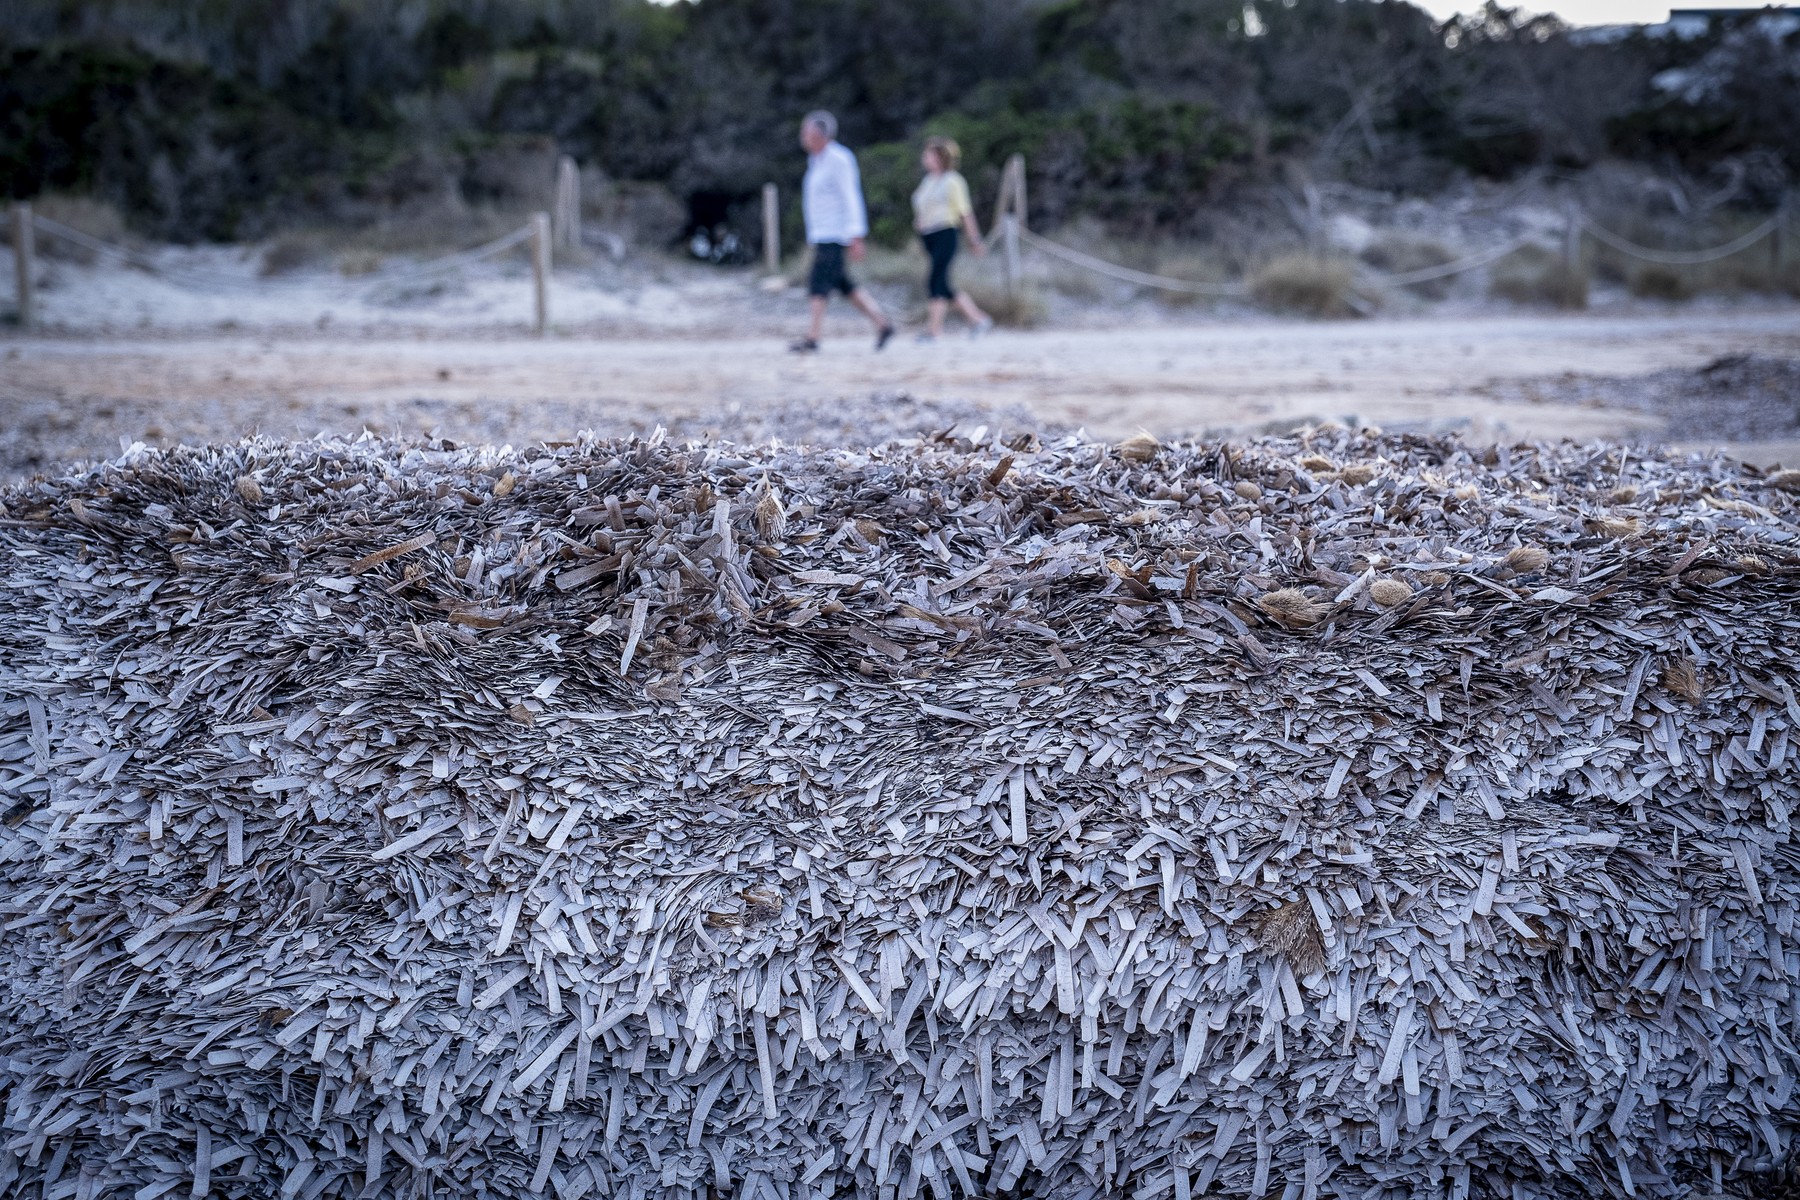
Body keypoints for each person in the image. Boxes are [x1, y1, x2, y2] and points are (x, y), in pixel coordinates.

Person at [791, 111, 894, 353]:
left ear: (819, 134)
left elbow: (851, 196)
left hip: (835, 234)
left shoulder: (839, 159)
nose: (802, 137)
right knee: (844, 285)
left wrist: (856, 234)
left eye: (806, 131)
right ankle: (883, 324)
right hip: (822, 232)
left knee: (818, 283)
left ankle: (812, 337)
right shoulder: (816, 161)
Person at [911, 136, 993, 341]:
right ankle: (978, 319)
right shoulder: (928, 181)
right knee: (944, 285)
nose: (925, 158)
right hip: (929, 236)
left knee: (935, 281)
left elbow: (965, 212)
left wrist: (974, 239)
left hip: (946, 233)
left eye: (929, 154)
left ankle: (934, 330)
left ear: (940, 157)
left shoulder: (953, 181)